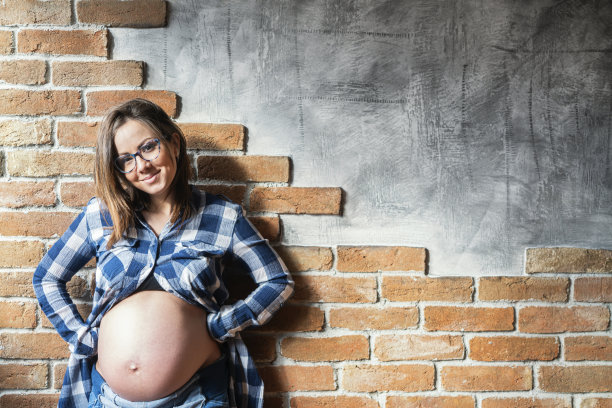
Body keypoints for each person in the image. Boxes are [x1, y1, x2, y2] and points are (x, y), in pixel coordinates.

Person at [33, 98, 294, 408]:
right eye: (125, 159)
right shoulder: (100, 216)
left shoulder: (221, 216)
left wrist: (221, 325)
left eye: (148, 147)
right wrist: (83, 338)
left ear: (173, 144)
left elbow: (278, 281)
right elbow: (47, 278)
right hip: (108, 399)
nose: (141, 166)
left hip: (197, 397)